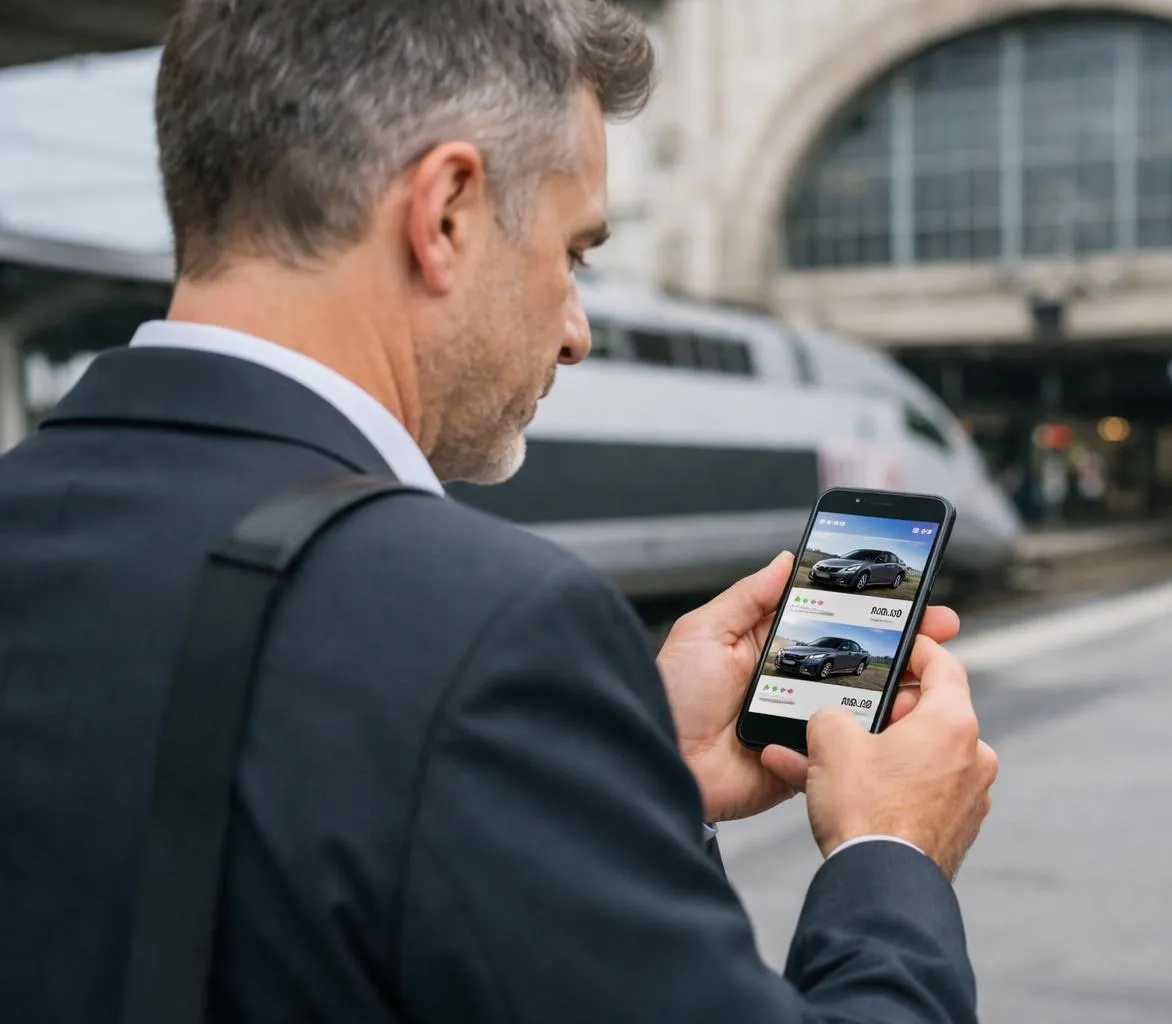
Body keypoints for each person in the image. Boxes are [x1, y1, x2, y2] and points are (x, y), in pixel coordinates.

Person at [0, 3, 998, 1022]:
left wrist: (623, 770)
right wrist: (892, 853)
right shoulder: (483, 638)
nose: (576, 333)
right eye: (575, 252)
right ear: (446, 215)